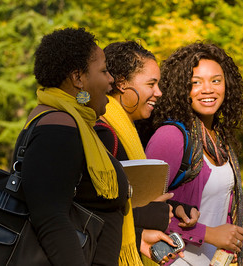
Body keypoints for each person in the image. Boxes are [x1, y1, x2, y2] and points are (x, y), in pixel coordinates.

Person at [19, 27, 176, 266]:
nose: (111, 79)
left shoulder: (75, 123)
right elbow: (51, 219)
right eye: (103, 71)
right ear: (78, 78)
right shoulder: (58, 126)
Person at [94, 41, 198, 264]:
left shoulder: (126, 132)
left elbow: (133, 201)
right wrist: (153, 215)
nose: (158, 93)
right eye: (151, 84)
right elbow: (92, 211)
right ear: (121, 83)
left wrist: (175, 208)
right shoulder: (103, 134)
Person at [145, 42, 243, 265]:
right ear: (182, 89)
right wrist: (208, 233)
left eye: (216, 80)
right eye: (195, 83)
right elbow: (143, 209)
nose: (208, 89)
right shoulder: (170, 137)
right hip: (178, 260)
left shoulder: (221, 140)